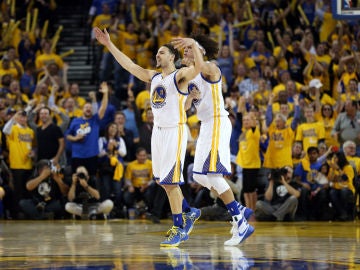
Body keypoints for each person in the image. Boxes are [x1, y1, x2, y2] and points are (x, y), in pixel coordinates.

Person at [94, 27, 201, 247]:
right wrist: (109, 45)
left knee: (171, 183)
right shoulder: (152, 77)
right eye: (157, 53)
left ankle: (179, 227)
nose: (157, 55)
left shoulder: (178, 77)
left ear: (172, 56)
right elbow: (130, 65)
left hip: (175, 131)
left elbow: (198, 67)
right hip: (158, 132)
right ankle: (189, 211)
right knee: (163, 181)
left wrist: (192, 44)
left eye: (162, 52)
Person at [172, 34, 254, 246]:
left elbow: (202, 66)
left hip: (217, 121)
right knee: (199, 176)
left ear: (201, 51)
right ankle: (240, 208)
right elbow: (184, 108)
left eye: (190, 49)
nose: (186, 52)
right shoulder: (189, 76)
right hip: (205, 125)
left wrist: (192, 42)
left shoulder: (211, 66)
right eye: (186, 49)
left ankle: (241, 222)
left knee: (213, 173)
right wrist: (190, 98)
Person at [65, 82, 108, 177]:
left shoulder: (95, 120)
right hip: (77, 156)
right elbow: (68, 136)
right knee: (76, 180)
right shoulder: (75, 120)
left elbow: (103, 108)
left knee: (91, 179)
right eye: (86, 107)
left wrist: (105, 94)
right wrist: (75, 138)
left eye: (90, 107)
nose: (88, 109)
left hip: (91, 155)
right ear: (82, 109)